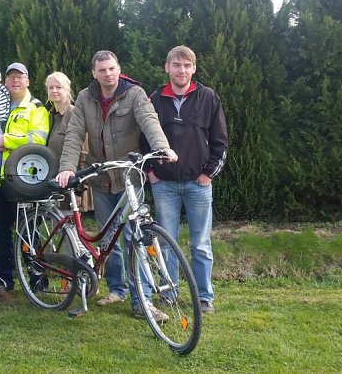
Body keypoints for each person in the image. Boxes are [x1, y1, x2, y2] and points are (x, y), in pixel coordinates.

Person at [55, 50, 177, 322]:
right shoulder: (86, 98)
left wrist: (162, 148)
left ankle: (141, 301)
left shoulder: (134, 94)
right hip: (101, 178)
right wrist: (67, 168)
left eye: (112, 69)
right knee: (107, 238)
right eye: (102, 70)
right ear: (94, 73)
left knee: (136, 238)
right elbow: (75, 133)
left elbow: (149, 121)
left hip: (128, 178)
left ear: (119, 69)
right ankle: (116, 289)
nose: (107, 74)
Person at [148, 46, 227, 315]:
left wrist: (208, 174)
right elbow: (143, 137)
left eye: (187, 65)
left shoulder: (208, 97)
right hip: (165, 185)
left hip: (198, 184)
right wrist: (151, 172)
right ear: (167, 67)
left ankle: (205, 298)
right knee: (166, 243)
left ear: (193, 69)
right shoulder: (155, 99)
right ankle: (168, 293)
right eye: (176, 65)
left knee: (201, 244)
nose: (181, 70)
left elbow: (221, 142)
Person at [0, 62, 50, 291]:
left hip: (23, 179)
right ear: (5, 81)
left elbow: (37, 139)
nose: (15, 81)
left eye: (20, 77)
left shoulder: (36, 108)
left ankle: (37, 277)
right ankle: (4, 279)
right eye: (11, 78)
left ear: (27, 80)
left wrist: (6, 141)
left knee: (28, 231)